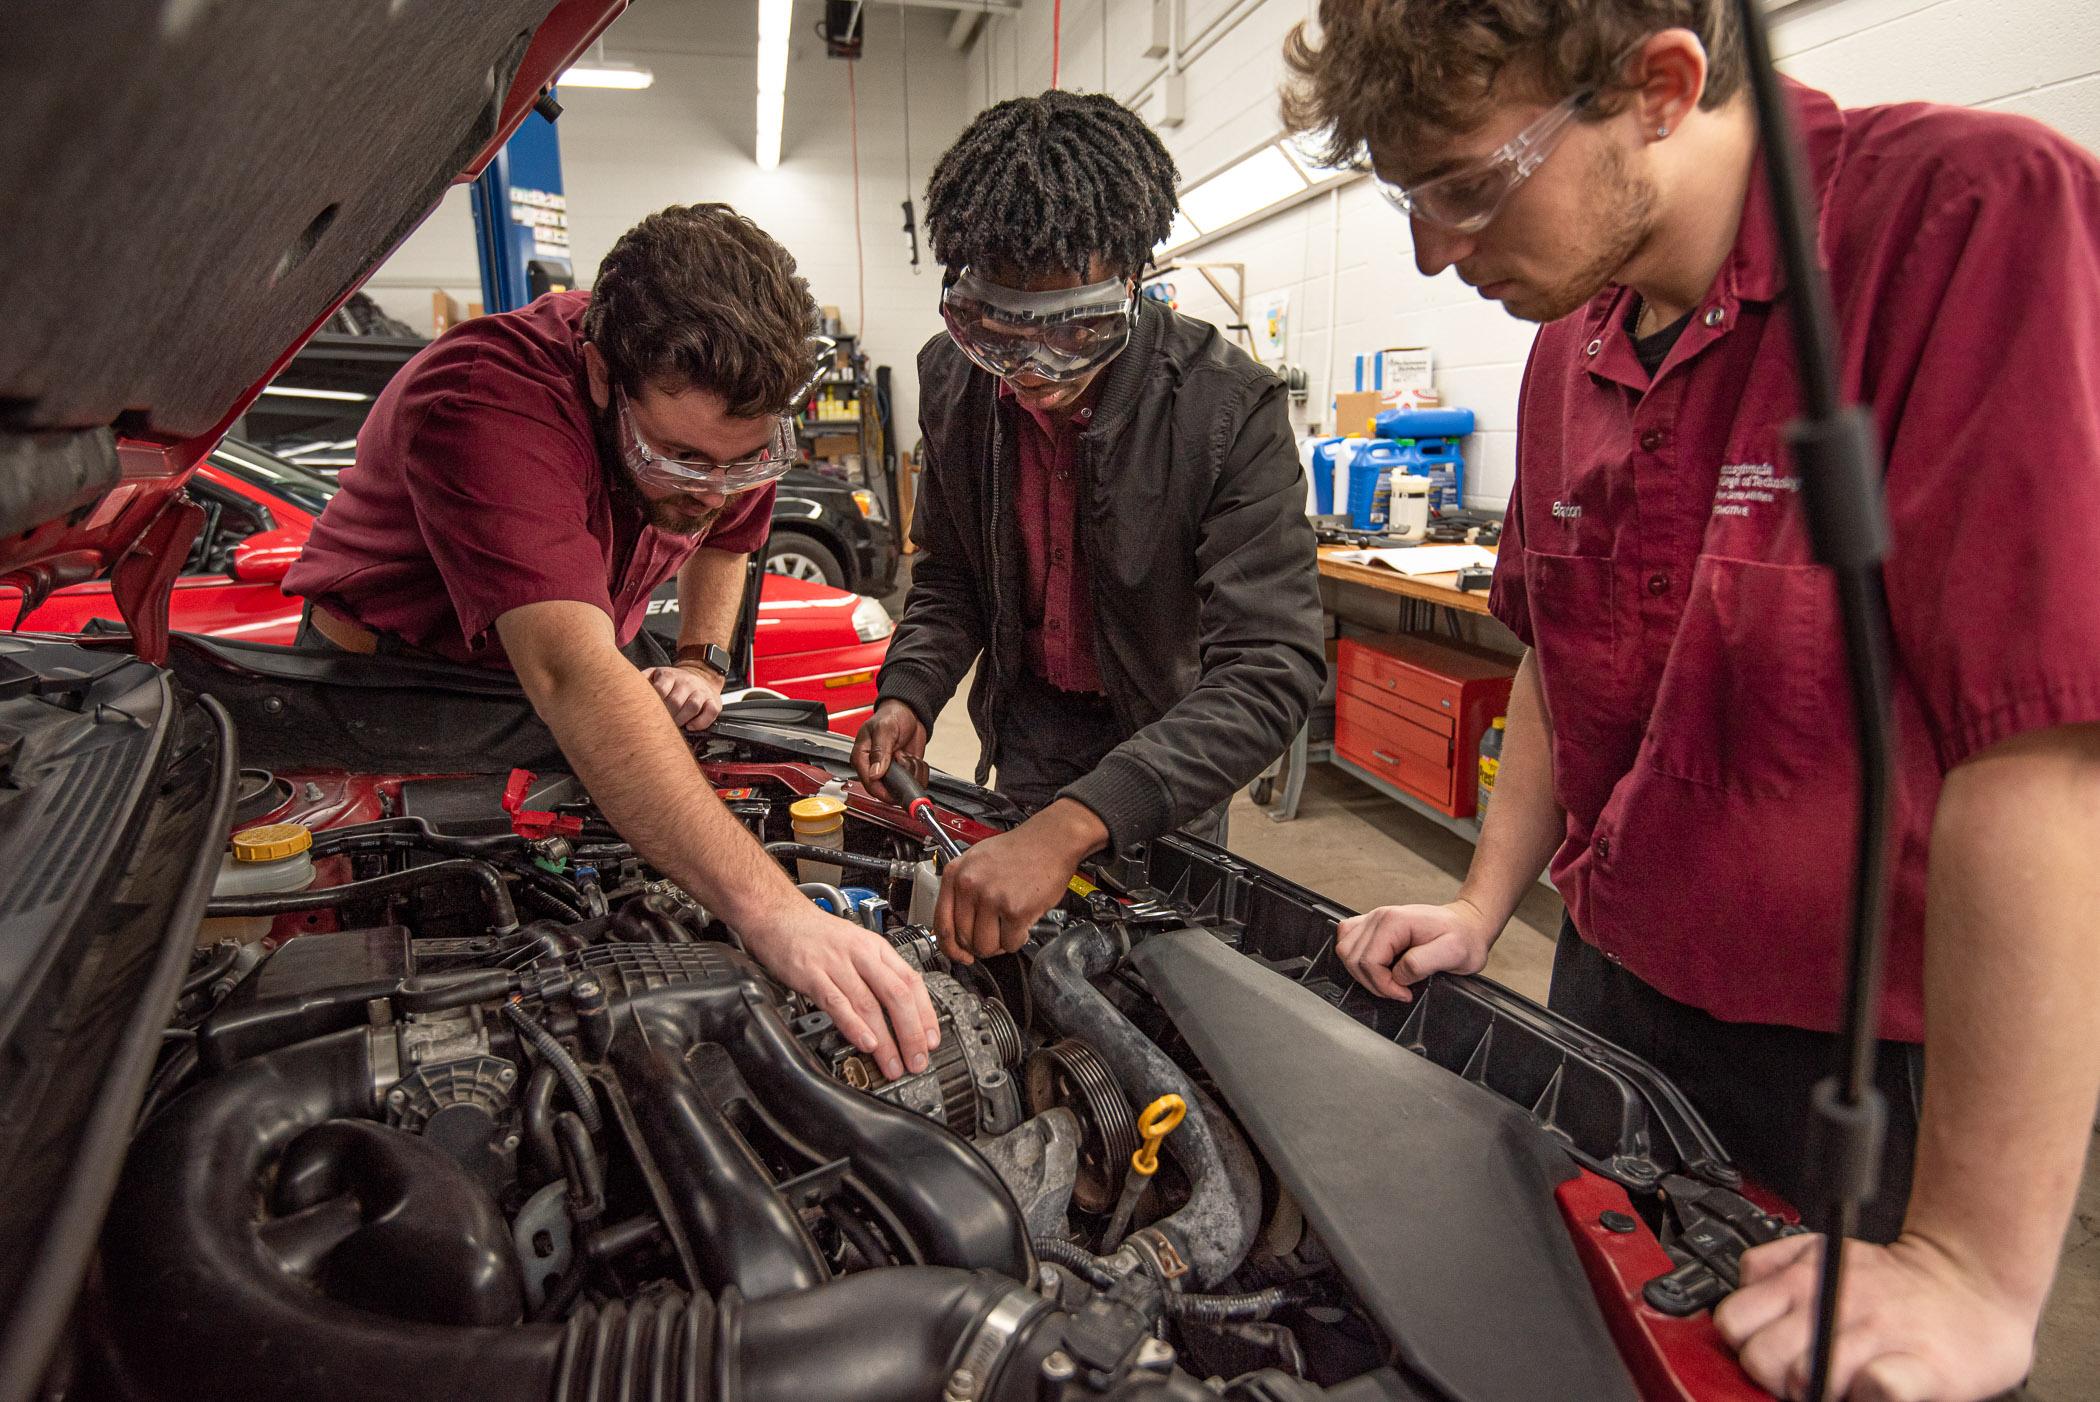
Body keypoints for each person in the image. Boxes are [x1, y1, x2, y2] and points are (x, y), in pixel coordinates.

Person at [1282, 5, 2100, 1398]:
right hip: (1609, 994)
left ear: (1661, 86)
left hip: (1872, 1068)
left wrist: (1969, 1263)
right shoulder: (1569, 339)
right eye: (1409, 198)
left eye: (1466, 186)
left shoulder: (1964, 219)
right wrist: (1482, 905)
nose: (1431, 251)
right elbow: (1556, 655)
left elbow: (2045, 752)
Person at [287, 204, 938, 1084]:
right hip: (394, 698)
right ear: (602, 375)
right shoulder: (483, 397)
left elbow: (728, 535)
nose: (713, 489)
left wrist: (701, 661)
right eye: (681, 459)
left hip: (576, 666)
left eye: (742, 461)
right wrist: (776, 913)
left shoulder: (723, 420)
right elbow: (571, 673)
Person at [852, 92, 1325, 964]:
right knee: (1022, 965)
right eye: (997, 331)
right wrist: (908, 691)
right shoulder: (954, 384)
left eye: (1075, 331)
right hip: (1033, 724)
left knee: (1159, 973)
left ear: (1136, 283)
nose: (1031, 371)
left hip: (1172, 744)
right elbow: (952, 575)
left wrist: (1071, 826)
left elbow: (1270, 666)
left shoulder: (1227, 407)